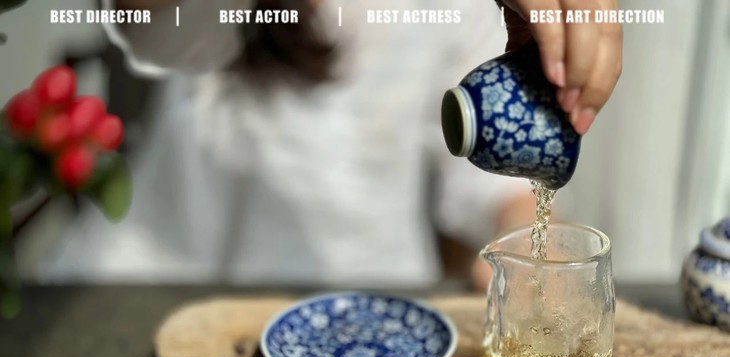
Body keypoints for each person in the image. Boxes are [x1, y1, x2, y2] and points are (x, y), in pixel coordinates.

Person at [42, 0, 621, 289]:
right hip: (157, 278)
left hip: (367, 295)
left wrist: (539, 255)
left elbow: (488, 184)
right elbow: (149, 28)